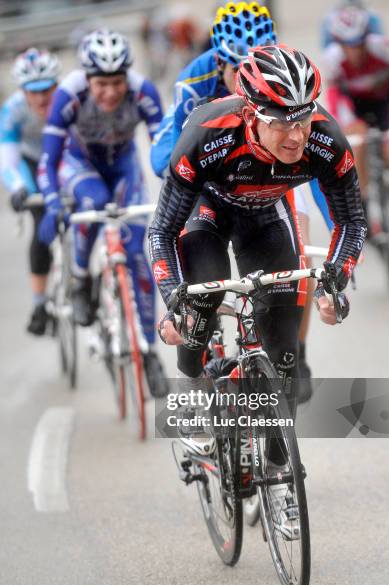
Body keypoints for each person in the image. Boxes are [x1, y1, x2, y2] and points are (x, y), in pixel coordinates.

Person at [149, 45, 366, 457]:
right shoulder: (206, 134)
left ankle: (278, 475)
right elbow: (162, 230)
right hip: (208, 212)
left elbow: (352, 221)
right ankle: (194, 389)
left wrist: (334, 280)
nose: (297, 135)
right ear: (251, 115)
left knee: (285, 352)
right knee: (202, 300)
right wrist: (173, 296)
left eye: (303, 118)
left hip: (267, 215)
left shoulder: (325, 140)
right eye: (282, 122)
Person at [151, 1, 334, 403]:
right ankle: (202, 354)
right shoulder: (195, 80)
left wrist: (338, 238)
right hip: (213, 179)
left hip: (272, 169)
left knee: (296, 260)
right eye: (236, 67)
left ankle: (292, 352)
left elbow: (323, 170)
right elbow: (162, 154)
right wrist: (189, 163)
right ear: (220, 63)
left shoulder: (282, 78)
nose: (244, 76)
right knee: (205, 275)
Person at [37, 29, 167, 397]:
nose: (110, 91)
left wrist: (179, 189)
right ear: (87, 79)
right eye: (101, 84)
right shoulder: (69, 94)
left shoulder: (144, 92)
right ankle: (80, 279)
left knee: (138, 254)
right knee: (91, 204)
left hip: (124, 166)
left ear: (127, 77)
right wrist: (51, 201)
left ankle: (149, 350)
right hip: (81, 165)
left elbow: (162, 151)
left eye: (117, 82)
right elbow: (49, 159)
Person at [323, 5, 389, 247]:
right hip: (356, 108)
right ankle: (365, 209)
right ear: (338, 42)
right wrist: (340, 125)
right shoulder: (332, 59)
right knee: (356, 147)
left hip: (385, 104)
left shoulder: (382, 48)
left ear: (366, 38)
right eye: (348, 45)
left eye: (359, 43)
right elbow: (335, 96)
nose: (354, 51)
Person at [0, 48, 60, 335]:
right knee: (40, 230)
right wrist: (17, 188)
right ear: (22, 90)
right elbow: (7, 157)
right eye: (32, 91)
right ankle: (39, 303)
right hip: (31, 163)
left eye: (46, 89)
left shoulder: (67, 101)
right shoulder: (12, 110)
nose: (40, 98)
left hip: (61, 157)